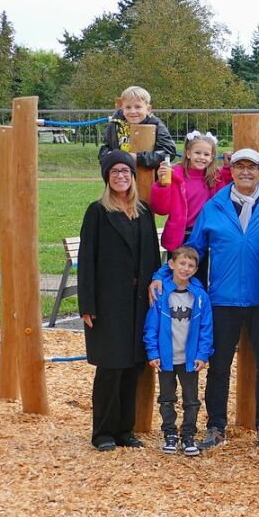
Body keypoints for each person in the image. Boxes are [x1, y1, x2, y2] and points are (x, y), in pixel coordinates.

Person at [151, 148, 259, 450]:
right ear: (230, 170)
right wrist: (162, 273)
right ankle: (216, 425)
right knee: (218, 364)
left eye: (252, 167)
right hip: (223, 299)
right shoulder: (214, 207)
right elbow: (193, 249)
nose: (246, 172)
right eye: (240, 167)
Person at [78, 150, 162, 451]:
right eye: (114, 172)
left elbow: (152, 251)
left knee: (133, 366)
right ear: (107, 178)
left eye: (125, 171)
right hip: (109, 302)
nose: (121, 176)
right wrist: (87, 303)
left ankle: (125, 430)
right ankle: (103, 432)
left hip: (139, 302)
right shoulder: (98, 212)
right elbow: (86, 259)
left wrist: (157, 281)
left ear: (132, 175)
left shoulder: (142, 211)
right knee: (111, 368)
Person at [143, 245, 214, 457]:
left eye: (191, 265)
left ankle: (189, 434)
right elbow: (151, 327)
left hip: (190, 359)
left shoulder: (200, 297)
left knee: (191, 399)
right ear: (171, 265)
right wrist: (153, 352)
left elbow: (206, 329)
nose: (186, 268)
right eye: (182, 263)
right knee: (167, 398)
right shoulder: (161, 294)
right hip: (166, 358)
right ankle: (170, 434)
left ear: (195, 269)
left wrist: (203, 354)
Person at [150, 131, 231, 285]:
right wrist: (161, 185)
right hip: (179, 236)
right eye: (197, 153)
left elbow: (224, 197)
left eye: (207, 154)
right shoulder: (174, 175)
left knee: (198, 278)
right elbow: (161, 208)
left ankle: (198, 307)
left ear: (212, 157)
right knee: (176, 278)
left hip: (202, 235)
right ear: (188, 153)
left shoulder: (214, 177)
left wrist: (227, 169)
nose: (202, 157)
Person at [98, 85, 177, 169]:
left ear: (148, 109)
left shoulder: (156, 125)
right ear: (122, 109)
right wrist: (112, 156)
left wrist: (138, 158)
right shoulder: (114, 125)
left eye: (138, 107)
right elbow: (104, 150)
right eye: (128, 107)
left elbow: (168, 152)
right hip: (122, 175)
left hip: (149, 176)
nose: (132, 111)